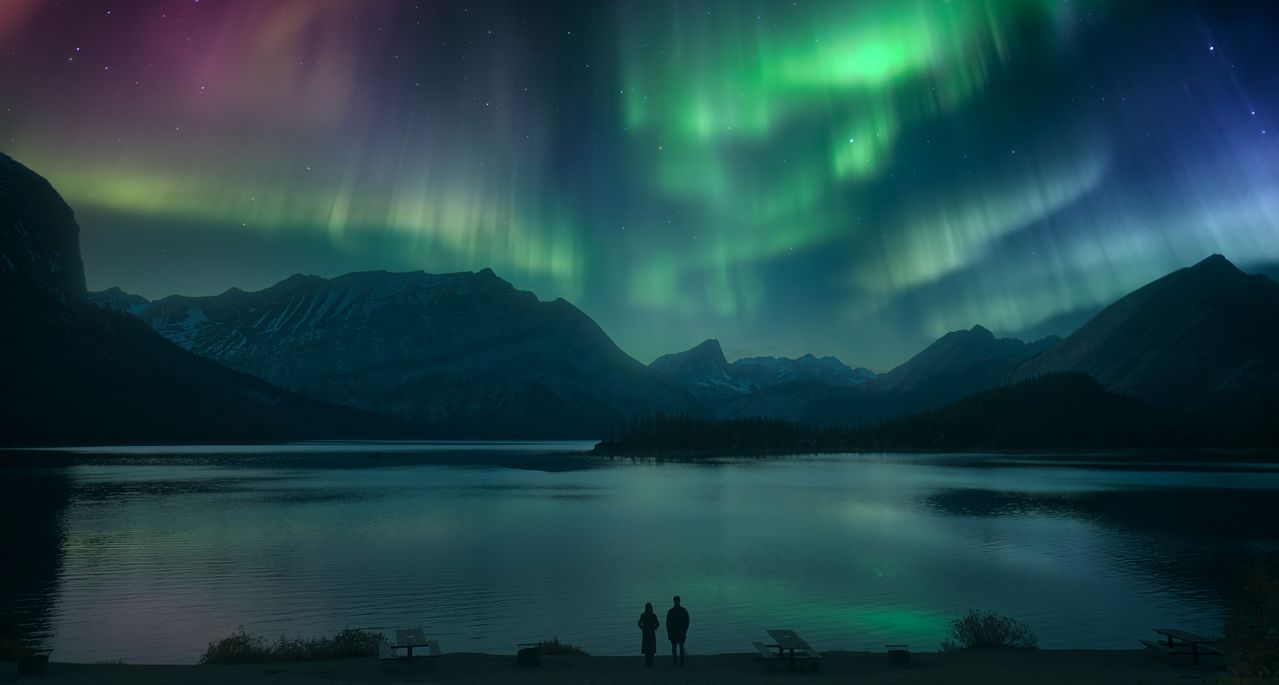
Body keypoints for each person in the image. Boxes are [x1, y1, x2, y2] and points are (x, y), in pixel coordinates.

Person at [666, 595, 690, 666]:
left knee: (674, 647)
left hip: (674, 632)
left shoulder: (671, 611)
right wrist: (685, 630)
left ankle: (675, 662)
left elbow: (668, 624)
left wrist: (669, 633)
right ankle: (681, 663)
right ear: (679, 601)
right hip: (681, 631)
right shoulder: (683, 610)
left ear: (674, 601)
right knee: (681, 647)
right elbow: (687, 622)